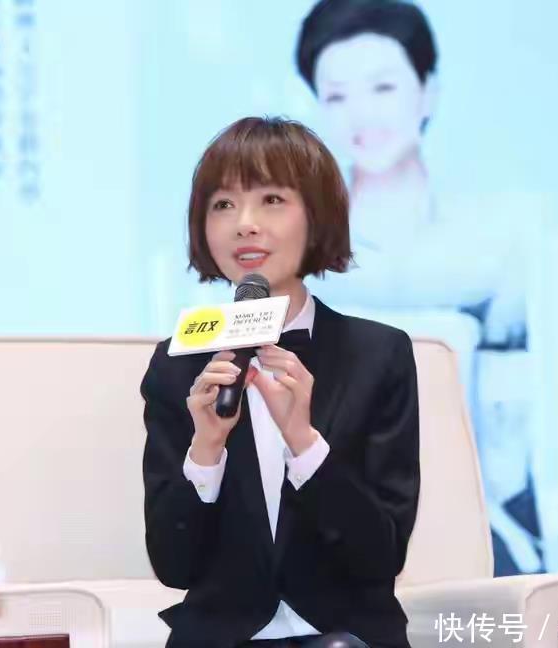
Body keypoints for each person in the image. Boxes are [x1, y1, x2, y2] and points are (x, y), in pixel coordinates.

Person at [141, 116, 419, 648]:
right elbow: (173, 565)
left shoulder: (377, 355)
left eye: (271, 200)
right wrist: (206, 449)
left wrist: (304, 443)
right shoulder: (178, 365)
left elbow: (381, 557)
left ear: (317, 216)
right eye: (223, 204)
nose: (244, 224)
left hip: (347, 638)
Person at [295, 0, 544, 575]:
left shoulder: (494, 242)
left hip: (474, 524)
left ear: (428, 92)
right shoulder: (291, 244)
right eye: (336, 96)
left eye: (383, 87)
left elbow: (513, 432)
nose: (361, 115)